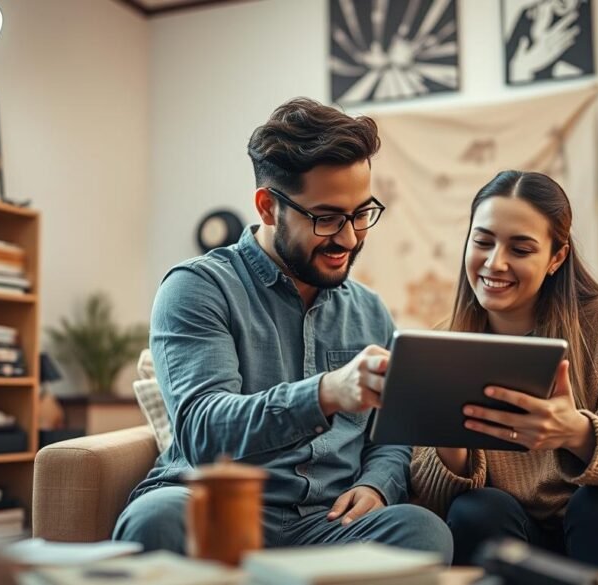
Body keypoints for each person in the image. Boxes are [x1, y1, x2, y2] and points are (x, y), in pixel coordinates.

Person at [114, 98, 452, 562]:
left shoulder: (370, 311)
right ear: (268, 207)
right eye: (327, 218)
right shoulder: (197, 288)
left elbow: (390, 433)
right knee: (155, 519)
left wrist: (378, 484)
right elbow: (202, 432)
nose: (350, 238)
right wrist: (327, 393)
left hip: (327, 523)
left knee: (422, 531)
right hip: (215, 505)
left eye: (360, 214)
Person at [410, 171, 598, 569]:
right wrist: (450, 442)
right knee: (477, 508)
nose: (495, 263)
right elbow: (435, 499)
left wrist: (575, 432)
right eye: (483, 241)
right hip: (519, 533)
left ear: (556, 258)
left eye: (521, 249)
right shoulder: (447, 343)